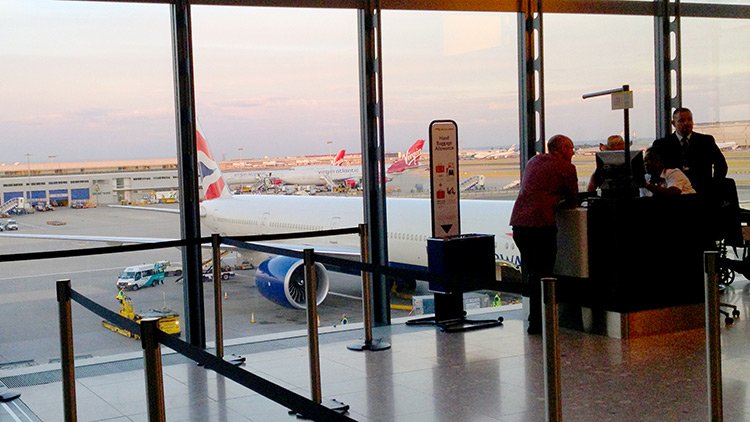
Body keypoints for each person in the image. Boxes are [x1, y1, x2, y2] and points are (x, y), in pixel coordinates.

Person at [510, 134, 578, 334]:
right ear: (563, 148)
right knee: (545, 275)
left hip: (519, 224)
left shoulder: (533, 161)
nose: (573, 152)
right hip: (541, 225)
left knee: (533, 274)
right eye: (571, 148)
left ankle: (535, 321)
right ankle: (544, 323)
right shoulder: (566, 167)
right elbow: (573, 199)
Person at [652, 107, 727, 195]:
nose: (686, 123)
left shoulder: (706, 141)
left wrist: (714, 184)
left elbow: (721, 165)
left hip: (703, 192)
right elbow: (655, 169)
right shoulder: (662, 144)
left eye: (689, 119)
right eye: (681, 120)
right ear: (673, 123)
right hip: (674, 194)